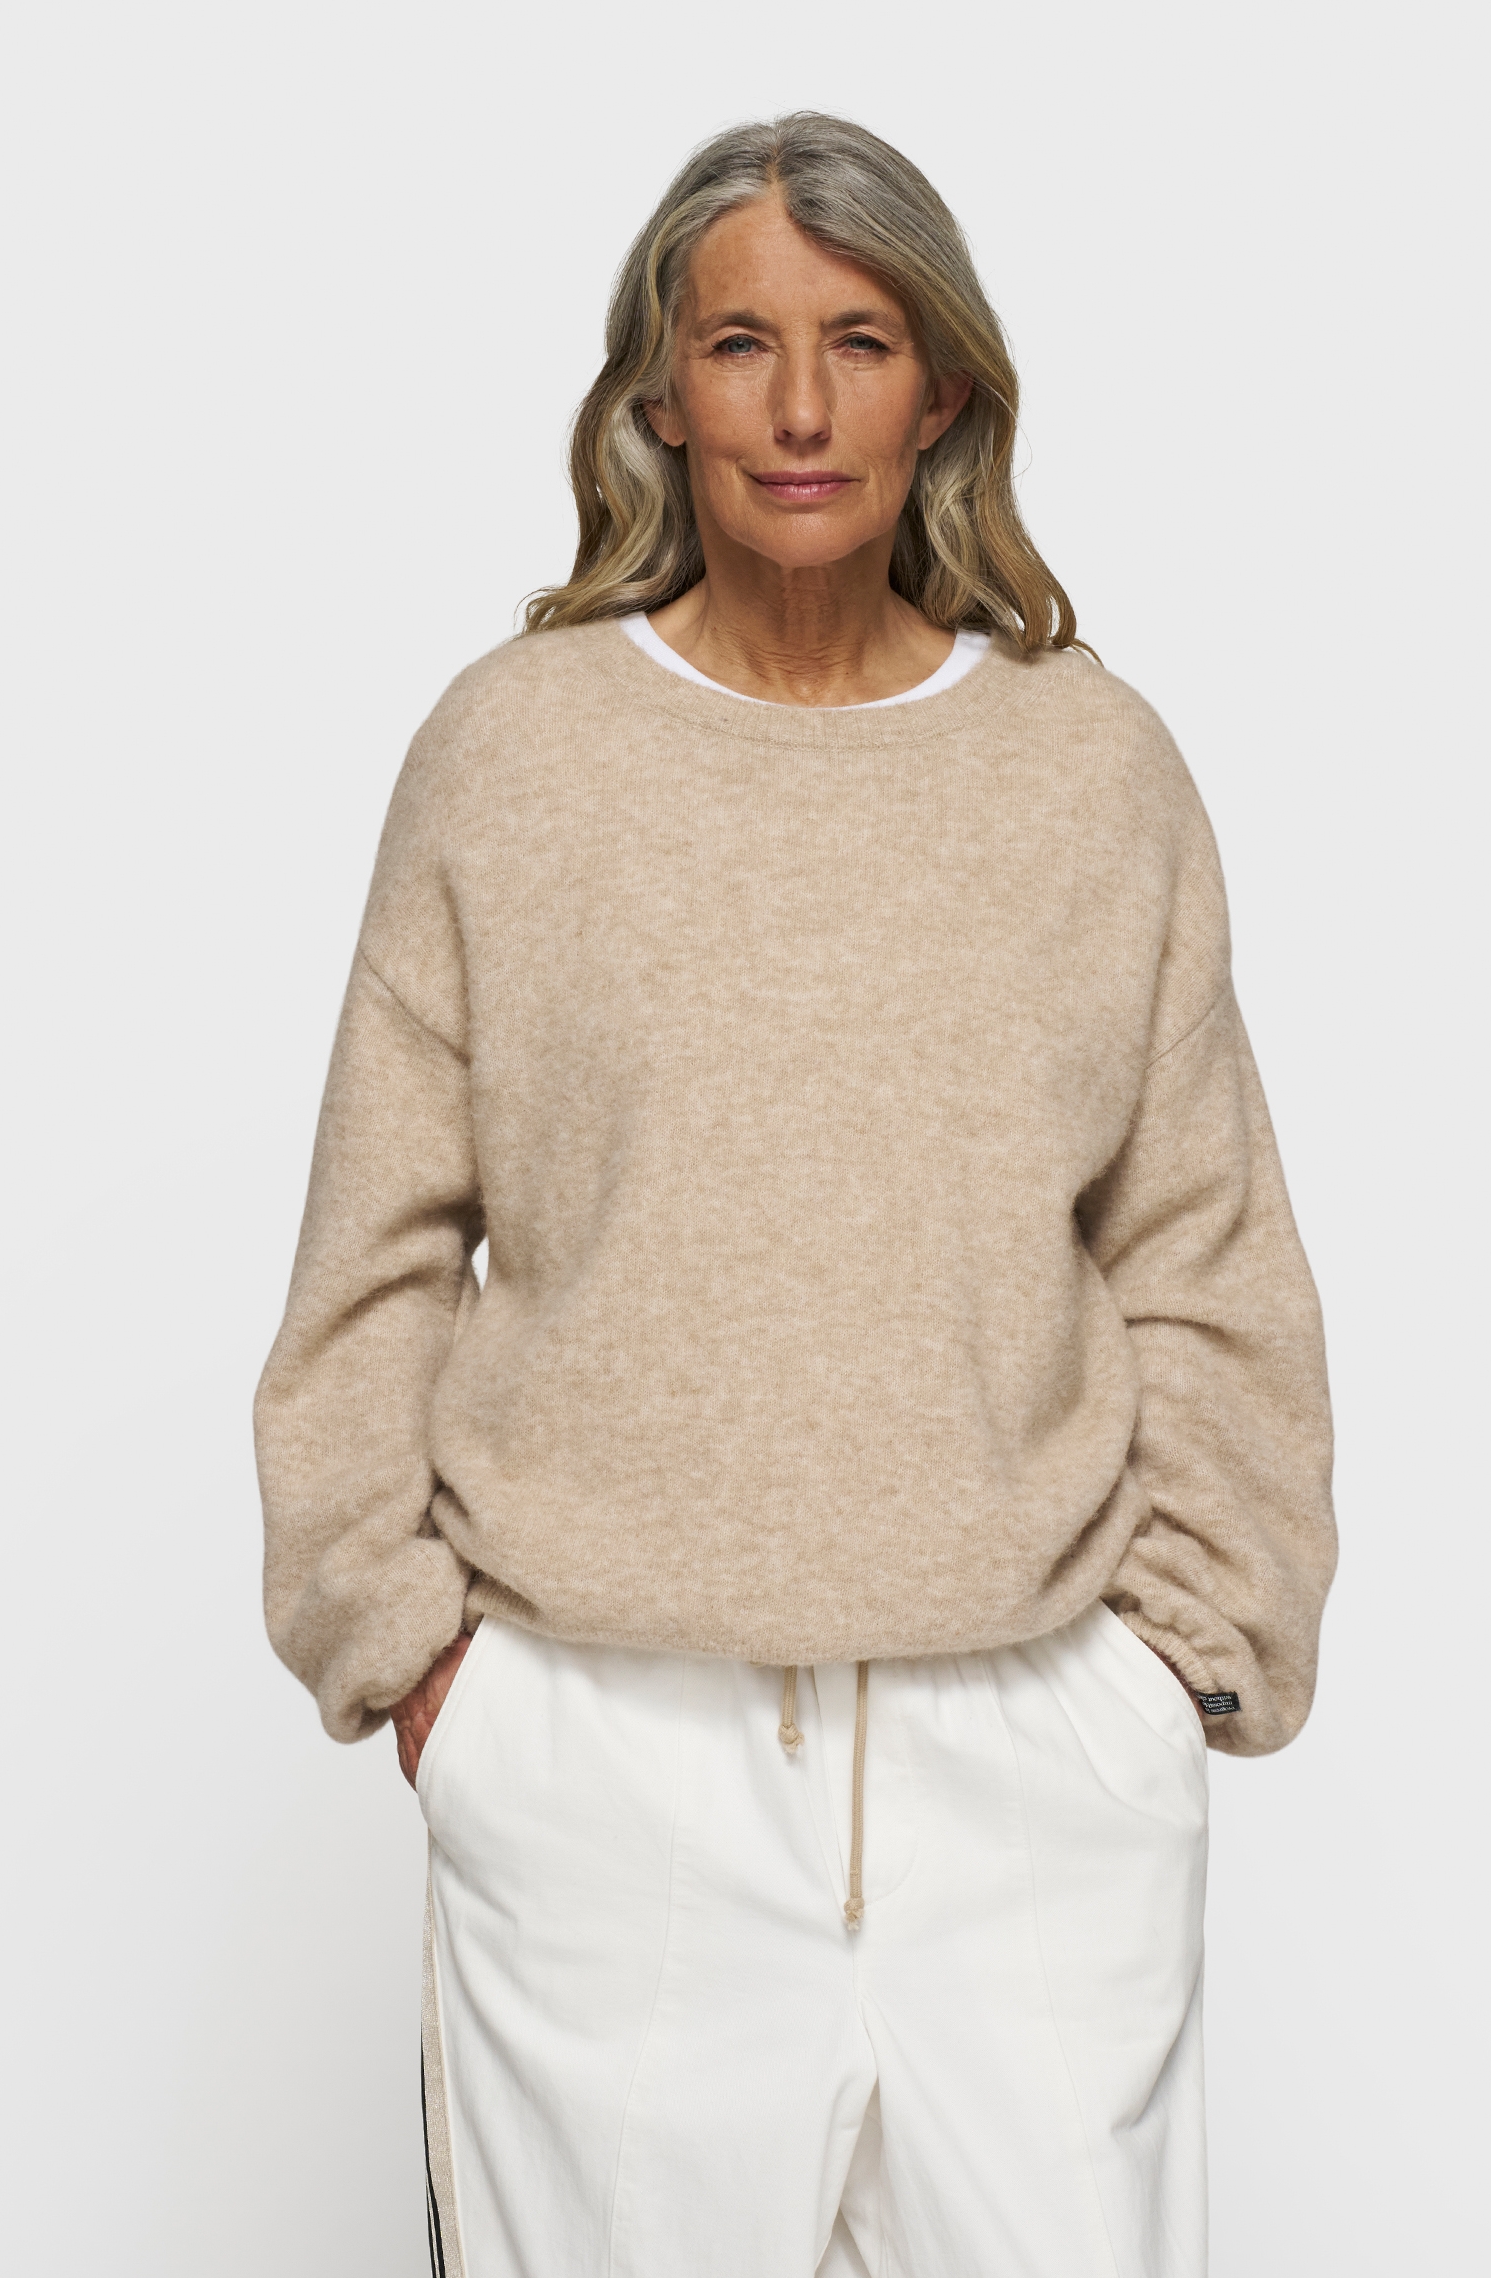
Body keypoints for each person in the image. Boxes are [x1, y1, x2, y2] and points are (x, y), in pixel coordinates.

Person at [254, 111, 1336, 2278]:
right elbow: (377, 1248)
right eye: (740, 343)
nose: (803, 407)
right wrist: (425, 1670)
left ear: (942, 387)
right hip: (607, 1758)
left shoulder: (1087, 765)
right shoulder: (514, 753)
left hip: (1028, 1757)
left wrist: (1182, 1668)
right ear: (660, 393)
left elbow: (1200, 1240)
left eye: (860, 340)